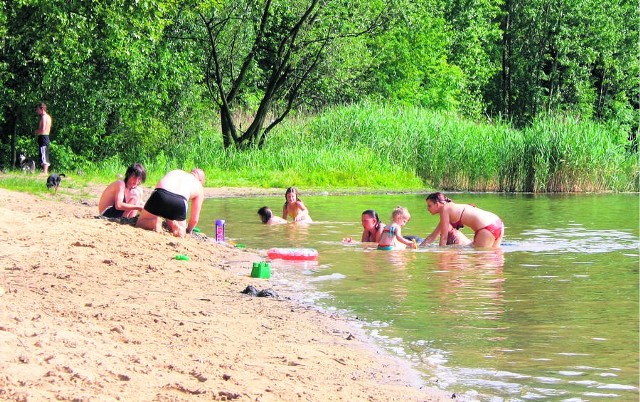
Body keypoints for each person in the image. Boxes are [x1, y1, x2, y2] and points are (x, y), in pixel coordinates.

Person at [135, 168, 205, 238]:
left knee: (141, 223)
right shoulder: (199, 185)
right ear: (201, 181)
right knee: (181, 233)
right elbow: (194, 219)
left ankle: (154, 221)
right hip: (179, 201)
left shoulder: (176, 171)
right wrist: (188, 231)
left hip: (160, 194)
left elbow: (158, 186)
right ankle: (177, 227)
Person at [424, 192, 504, 248]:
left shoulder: (445, 209)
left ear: (437, 204)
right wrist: (419, 248)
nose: (428, 209)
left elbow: (444, 238)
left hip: (486, 228)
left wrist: (442, 256)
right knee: (493, 256)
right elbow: (432, 236)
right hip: (498, 223)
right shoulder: (450, 209)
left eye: (429, 206)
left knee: (479, 264)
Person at [34, 102, 52, 174]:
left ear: (42, 109)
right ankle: (45, 171)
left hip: (43, 136)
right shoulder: (48, 117)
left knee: (44, 153)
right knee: (44, 152)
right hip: (46, 136)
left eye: (37, 109)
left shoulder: (44, 117)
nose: (37, 111)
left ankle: (45, 172)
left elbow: (43, 129)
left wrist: (36, 131)